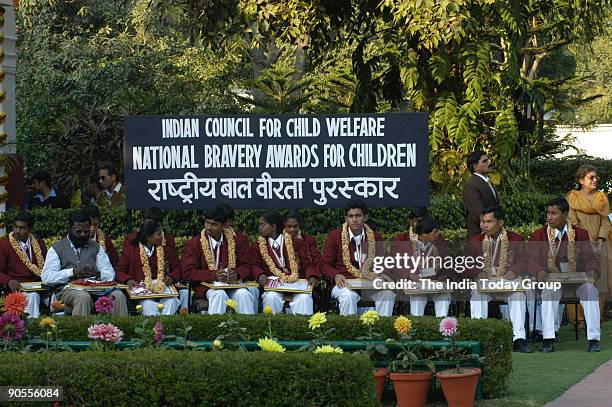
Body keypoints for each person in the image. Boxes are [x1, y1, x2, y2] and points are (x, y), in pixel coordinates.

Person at [527, 197, 600, 352]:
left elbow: (590, 258)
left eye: (554, 213)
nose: (549, 217)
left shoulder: (580, 234)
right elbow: (532, 260)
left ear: (565, 214)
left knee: (591, 290)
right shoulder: (538, 235)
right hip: (552, 280)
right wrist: (541, 272)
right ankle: (548, 339)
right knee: (548, 291)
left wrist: (592, 272)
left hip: (576, 280)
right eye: (548, 213)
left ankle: (594, 339)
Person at [465, 206, 532, 353]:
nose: (484, 225)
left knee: (519, 295)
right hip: (485, 284)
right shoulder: (475, 240)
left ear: (500, 222)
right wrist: (477, 272)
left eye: (489, 222)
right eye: (482, 221)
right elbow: (466, 264)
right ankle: (479, 338)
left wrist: (514, 270)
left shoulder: (515, 238)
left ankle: (518, 339)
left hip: (507, 283)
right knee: (477, 293)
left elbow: (524, 260)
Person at [41, 209, 128, 316]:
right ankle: (80, 332)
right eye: (78, 231)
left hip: (96, 289)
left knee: (118, 296)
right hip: (68, 290)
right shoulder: (57, 248)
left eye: (86, 231)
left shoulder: (96, 247)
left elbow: (110, 274)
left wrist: (98, 273)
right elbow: (46, 277)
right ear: (70, 228)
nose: (83, 235)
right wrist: (72, 272)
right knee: (83, 297)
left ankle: (117, 331)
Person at [320, 200, 395, 316]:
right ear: (346, 218)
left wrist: (384, 273)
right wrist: (335, 275)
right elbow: (324, 264)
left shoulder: (375, 237)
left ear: (365, 217)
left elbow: (383, 262)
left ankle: (381, 332)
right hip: (344, 283)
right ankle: (350, 333)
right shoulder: (335, 236)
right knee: (348, 296)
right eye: (350, 216)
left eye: (358, 216)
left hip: (369, 283)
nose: (354, 220)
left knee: (387, 294)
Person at [181, 206, 255, 314]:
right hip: (207, 287)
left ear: (224, 225)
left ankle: (247, 330)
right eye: (207, 223)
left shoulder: (236, 241)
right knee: (219, 294)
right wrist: (214, 275)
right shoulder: (194, 244)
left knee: (244, 294)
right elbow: (188, 272)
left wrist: (237, 274)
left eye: (214, 224)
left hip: (232, 285)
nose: (209, 227)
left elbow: (247, 266)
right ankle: (216, 330)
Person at [567, 164, 611, 325]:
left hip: (601, 245)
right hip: (579, 244)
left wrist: (600, 240)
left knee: (599, 282)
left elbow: (605, 221)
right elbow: (572, 221)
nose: (595, 180)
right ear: (581, 180)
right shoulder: (573, 197)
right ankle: (578, 320)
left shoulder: (601, 198)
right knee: (578, 279)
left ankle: (595, 319)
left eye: (595, 177)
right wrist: (585, 243)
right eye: (590, 177)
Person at [251, 211, 320, 315]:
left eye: (262, 224)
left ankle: (304, 330)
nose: (259, 227)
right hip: (274, 286)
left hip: (295, 284)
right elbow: (254, 264)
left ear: (273, 227)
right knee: (271, 297)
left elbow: (307, 264)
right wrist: (260, 274)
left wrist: (311, 276)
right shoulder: (257, 246)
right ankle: (270, 330)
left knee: (304, 298)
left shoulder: (296, 243)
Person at [115, 221, 180, 316]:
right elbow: (119, 271)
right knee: (148, 304)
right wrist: (128, 279)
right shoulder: (131, 251)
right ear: (148, 237)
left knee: (172, 301)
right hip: (143, 292)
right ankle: (153, 330)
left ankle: (164, 328)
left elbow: (178, 268)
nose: (162, 237)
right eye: (158, 234)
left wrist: (172, 277)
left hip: (163, 289)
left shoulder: (166, 250)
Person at [391, 216, 452, 318]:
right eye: (435, 232)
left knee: (444, 296)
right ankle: (416, 326)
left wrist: (442, 279)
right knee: (418, 297)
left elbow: (447, 264)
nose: (438, 235)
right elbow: (396, 265)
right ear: (424, 234)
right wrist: (409, 275)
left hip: (434, 284)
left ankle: (443, 328)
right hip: (415, 285)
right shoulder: (407, 246)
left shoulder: (439, 245)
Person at [0, 212, 48, 318]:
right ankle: (31, 330)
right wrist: (8, 280)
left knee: (55, 297)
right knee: (33, 296)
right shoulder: (4, 244)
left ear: (30, 229)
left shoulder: (39, 243)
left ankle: (54, 328)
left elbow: (47, 267)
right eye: (15, 227)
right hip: (17, 288)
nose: (17, 231)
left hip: (39, 286)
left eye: (22, 228)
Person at [462, 151, 499, 238]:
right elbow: (478, 213)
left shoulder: (486, 181)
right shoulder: (471, 185)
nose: (489, 162)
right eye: (485, 161)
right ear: (476, 166)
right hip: (479, 235)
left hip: (492, 233)